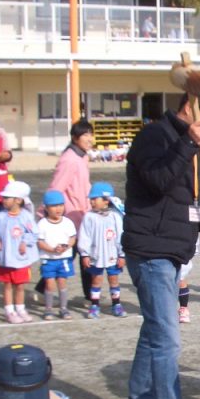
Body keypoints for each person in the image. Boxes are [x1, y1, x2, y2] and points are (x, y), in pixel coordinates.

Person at [121, 93, 200, 399]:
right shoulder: (155, 136)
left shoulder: (191, 147)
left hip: (169, 249)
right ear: (192, 108)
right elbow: (157, 182)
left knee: (154, 331)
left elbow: (183, 202)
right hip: (150, 251)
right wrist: (187, 141)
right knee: (167, 338)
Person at [48, 119, 94, 298]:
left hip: (83, 213)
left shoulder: (82, 156)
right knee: (77, 254)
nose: (89, 138)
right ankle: (91, 295)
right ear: (75, 138)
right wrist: (49, 210)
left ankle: (90, 294)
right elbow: (57, 187)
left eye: (91, 134)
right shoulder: (69, 159)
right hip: (71, 215)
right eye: (85, 135)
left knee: (74, 253)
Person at [0, 180, 39, 323]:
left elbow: (33, 233)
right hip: (5, 258)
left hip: (20, 258)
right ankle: (9, 310)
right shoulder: (0, 216)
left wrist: (25, 242)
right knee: (7, 285)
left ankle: (20, 308)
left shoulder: (25, 216)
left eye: (7, 198)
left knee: (20, 285)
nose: (4, 200)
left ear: (18, 200)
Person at [78, 181, 126, 319]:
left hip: (112, 255)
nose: (92, 202)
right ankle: (94, 305)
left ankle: (116, 304)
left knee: (114, 280)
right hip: (96, 255)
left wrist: (121, 255)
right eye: (91, 199)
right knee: (96, 280)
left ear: (106, 200)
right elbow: (84, 236)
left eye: (95, 199)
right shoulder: (89, 217)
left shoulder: (115, 216)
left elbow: (120, 235)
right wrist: (84, 254)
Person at [36, 189, 77, 320]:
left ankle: (63, 308)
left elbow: (72, 238)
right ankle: (48, 309)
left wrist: (66, 247)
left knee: (62, 282)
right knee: (49, 284)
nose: (58, 208)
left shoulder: (67, 222)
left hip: (64, 258)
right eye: (54, 206)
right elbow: (40, 242)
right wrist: (52, 250)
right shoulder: (42, 224)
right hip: (48, 259)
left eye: (60, 205)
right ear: (46, 208)